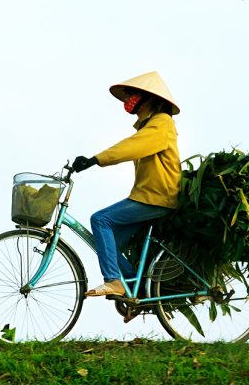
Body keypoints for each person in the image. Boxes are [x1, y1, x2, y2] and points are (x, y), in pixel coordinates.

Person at [70, 71, 182, 299]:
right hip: (147, 196)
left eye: (133, 94)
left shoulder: (162, 123)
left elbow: (131, 146)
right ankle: (136, 291)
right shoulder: (150, 126)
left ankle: (113, 281)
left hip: (158, 197)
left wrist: (95, 159)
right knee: (108, 246)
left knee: (100, 219)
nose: (129, 99)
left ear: (149, 98)